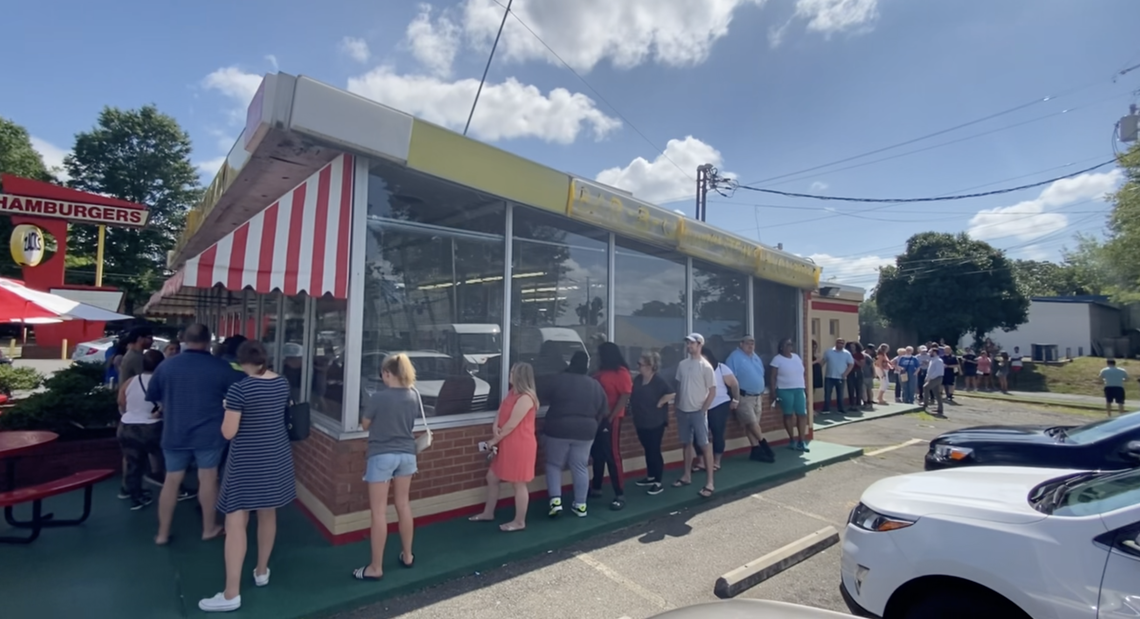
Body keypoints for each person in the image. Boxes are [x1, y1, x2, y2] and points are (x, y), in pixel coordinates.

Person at [198, 341, 295, 613]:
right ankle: (262, 571)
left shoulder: (239, 389)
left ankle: (231, 593)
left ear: (241, 362)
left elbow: (229, 432)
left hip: (247, 461)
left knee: (236, 519)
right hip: (276, 456)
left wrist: (227, 406)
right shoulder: (282, 383)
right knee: (267, 513)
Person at [148, 324, 242, 546]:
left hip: (174, 432)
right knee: (208, 479)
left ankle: (162, 533)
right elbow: (240, 393)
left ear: (184, 340)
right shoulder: (220, 367)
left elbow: (154, 396)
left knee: (172, 481)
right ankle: (209, 528)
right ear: (208, 341)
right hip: (208, 434)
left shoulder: (166, 366)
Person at [353, 353, 423, 581]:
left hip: (381, 455)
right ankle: (409, 555)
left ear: (387, 373)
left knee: (379, 513)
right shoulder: (414, 395)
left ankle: (376, 567)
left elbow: (365, 424)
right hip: (407, 455)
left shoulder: (379, 398)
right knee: (403, 506)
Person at [536, 351, 607, 518]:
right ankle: (581, 505)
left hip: (558, 428)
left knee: (554, 464)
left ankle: (555, 502)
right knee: (580, 466)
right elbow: (603, 410)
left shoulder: (559, 379)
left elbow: (541, 397)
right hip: (586, 430)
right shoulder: (594, 384)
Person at [470, 363, 539, 531]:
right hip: (506, 442)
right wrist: (495, 427)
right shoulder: (511, 393)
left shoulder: (526, 398)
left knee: (518, 483)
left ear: (520, 376)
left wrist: (493, 440)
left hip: (520, 445)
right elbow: (500, 413)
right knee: (492, 477)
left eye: (512, 372)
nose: (509, 374)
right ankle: (488, 513)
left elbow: (511, 425)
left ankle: (519, 521)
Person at [116, 349, 167, 510]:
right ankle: (173, 488)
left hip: (127, 425)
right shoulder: (162, 381)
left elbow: (121, 401)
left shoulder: (131, 380)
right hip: (152, 426)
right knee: (168, 458)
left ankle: (135, 496)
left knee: (133, 464)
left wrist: (131, 412)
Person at [672, 334, 717, 498]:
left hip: (698, 412)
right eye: (688, 343)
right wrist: (677, 406)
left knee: (704, 446)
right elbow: (679, 386)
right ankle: (686, 476)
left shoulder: (706, 366)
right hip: (682, 411)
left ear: (699, 345)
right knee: (686, 444)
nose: (689, 346)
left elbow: (712, 391)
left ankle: (710, 482)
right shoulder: (682, 365)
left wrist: (703, 409)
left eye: (692, 343)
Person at [590, 343, 632, 510]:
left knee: (612, 454)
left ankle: (619, 493)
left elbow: (625, 395)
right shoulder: (599, 372)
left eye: (599, 353)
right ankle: (597, 487)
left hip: (611, 418)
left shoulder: (620, 372)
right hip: (597, 418)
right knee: (597, 453)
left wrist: (612, 416)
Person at [630, 352, 674, 495]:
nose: (638, 367)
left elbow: (671, 393)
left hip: (655, 421)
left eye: (640, 364)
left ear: (650, 366)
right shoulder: (638, 379)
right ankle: (650, 476)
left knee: (654, 450)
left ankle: (658, 481)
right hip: (641, 420)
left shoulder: (659, 380)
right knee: (647, 449)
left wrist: (661, 402)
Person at [692, 347, 739, 473]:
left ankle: (716, 461)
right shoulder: (695, 369)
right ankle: (701, 462)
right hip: (700, 405)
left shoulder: (721, 368)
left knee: (717, 432)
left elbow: (734, 384)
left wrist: (735, 400)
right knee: (698, 434)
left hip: (719, 404)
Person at [724, 335, 770, 455]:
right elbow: (729, 378)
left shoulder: (756, 357)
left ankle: (755, 449)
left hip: (757, 396)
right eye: (748, 343)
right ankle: (765, 446)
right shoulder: (734, 357)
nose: (750, 346)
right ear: (741, 344)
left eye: (752, 343)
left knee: (753, 424)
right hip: (743, 396)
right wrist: (734, 398)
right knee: (752, 423)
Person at [770, 338, 809, 451]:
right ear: (781, 347)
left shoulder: (796, 357)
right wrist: (773, 392)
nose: (790, 347)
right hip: (784, 390)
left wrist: (804, 387)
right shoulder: (777, 359)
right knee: (788, 415)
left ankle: (801, 441)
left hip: (799, 389)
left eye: (791, 344)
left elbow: (802, 373)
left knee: (802, 414)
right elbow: (772, 377)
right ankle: (792, 439)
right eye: (787, 345)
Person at [821, 338, 854, 414]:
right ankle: (826, 409)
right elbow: (823, 361)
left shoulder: (847, 353)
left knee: (840, 394)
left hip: (841, 377)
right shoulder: (829, 351)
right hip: (829, 376)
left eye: (842, 343)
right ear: (836, 343)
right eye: (839, 342)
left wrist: (846, 373)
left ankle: (840, 409)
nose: (840, 344)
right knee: (827, 394)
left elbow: (851, 364)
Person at [923, 348, 945, 417]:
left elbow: (938, 371)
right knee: (937, 393)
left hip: (936, 378)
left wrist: (930, 378)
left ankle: (925, 404)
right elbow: (930, 370)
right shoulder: (932, 360)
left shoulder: (939, 361)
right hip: (933, 378)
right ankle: (940, 409)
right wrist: (927, 377)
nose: (929, 353)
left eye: (930, 352)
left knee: (926, 387)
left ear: (935, 352)